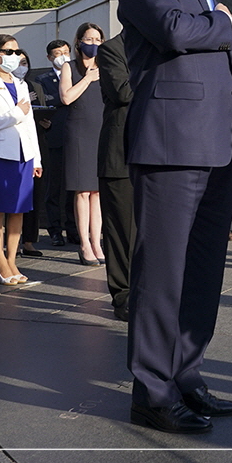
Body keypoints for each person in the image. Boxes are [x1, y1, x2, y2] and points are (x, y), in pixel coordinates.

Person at [119, 0, 232, 434]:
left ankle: (186, 377)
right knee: (163, 272)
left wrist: (210, 19)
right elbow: (175, 31)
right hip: (172, 141)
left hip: (217, 141)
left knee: (201, 270)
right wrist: (220, 23)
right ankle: (151, 390)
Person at [0, 34, 43, 284]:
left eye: (17, 51)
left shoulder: (22, 84)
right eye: (9, 51)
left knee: (19, 210)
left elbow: (30, 124)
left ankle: (12, 260)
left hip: (24, 154)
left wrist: (36, 158)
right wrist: (16, 113)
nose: (15, 56)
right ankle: (0, 261)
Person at [59, 23, 107, 266]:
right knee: (83, 191)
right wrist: (88, 78)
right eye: (89, 38)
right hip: (79, 132)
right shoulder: (70, 67)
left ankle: (97, 241)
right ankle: (84, 243)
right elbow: (66, 97)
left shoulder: (107, 66)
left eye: (98, 39)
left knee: (98, 192)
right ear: (78, 42)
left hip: (102, 131)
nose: (94, 43)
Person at [96, 33, 134, 321]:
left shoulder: (159, 48)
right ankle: (124, 295)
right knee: (121, 231)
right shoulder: (111, 50)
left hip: (157, 154)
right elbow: (123, 91)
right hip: (120, 155)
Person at [35, 39, 76, 246]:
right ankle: (55, 229)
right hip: (54, 137)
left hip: (77, 137)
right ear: (50, 57)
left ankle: (73, 229)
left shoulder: (79, 75)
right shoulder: (42, 80)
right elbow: (48, 101)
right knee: (54, 187)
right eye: (58, 53)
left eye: (66, 52)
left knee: (75, 187)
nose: (63, 56)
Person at [17, 50, 46, 258]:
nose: (21, 65)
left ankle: (28, 241)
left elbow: (42, 108)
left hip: (35, 142)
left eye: (24, 62)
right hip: (11, 144)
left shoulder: (34, 86)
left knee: (33, 194)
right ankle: (12, 241)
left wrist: (45, 119)